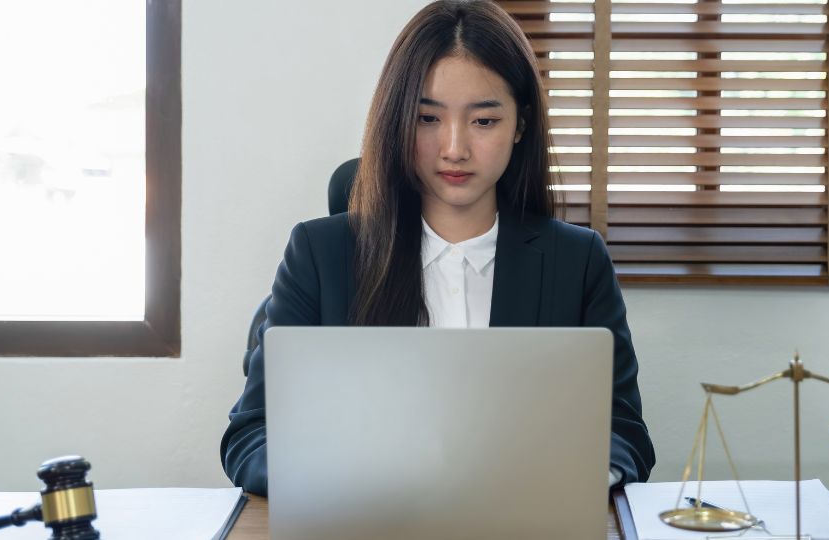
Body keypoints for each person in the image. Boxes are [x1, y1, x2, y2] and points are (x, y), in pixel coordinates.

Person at [221, 0, 654, 497]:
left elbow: (625, 433)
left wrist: (568, 479)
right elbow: (251, 435)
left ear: (520, 124)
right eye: (428, 119)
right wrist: (337, 484)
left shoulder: (577, 262)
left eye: (483, 121)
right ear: (399, 121)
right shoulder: (319, 254)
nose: (454, 148)